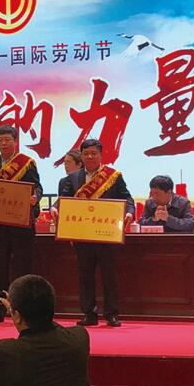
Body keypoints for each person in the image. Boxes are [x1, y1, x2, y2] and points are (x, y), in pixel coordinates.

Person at [51, 139, 134, 327]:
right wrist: (55, 207)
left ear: (101, 155)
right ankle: (89, 313)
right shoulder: (72, 178)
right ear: (81, 156)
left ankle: (112, 314)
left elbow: (127, 198)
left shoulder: (113, 176)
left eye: (93, 153)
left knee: (109, 275)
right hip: (82, 235)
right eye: (86, 153)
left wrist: (129, 212)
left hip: (106, 235)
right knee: (85, 275)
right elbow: (63, 199)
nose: (90, 156)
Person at [0, 275, 90, 386]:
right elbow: (49, 325)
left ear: (17, 316)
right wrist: (18, 313)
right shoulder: (79, 338)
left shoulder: (8, 352)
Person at [0, 125, 42, 324]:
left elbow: (37, 187)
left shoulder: (27, 163)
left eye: (8, 140)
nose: (4, 143)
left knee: (23, 267)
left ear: (15, 141)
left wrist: (35, 197)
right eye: (0, 140)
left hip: (21, 225)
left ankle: (24, 309)